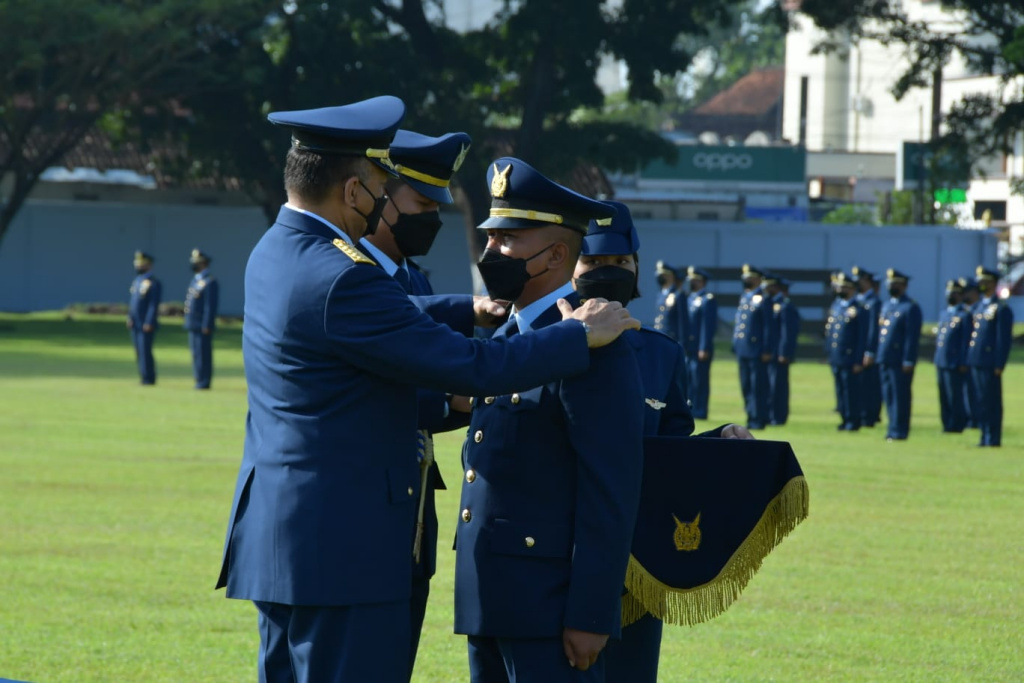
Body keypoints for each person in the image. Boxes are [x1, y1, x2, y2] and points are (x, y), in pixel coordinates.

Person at [214, 97, 640, 683]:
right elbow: (472, 368)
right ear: (354, 190)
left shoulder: (278, 251)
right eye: (380, 185)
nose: (384, 199)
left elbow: (366, 322)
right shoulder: (344, 276)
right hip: (344, 556)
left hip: (288, 546)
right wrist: (575, 337)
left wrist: (466, 309)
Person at [455, 158, 645, 683]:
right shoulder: (506, 339)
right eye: (490, 238)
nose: (490, 251)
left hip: (550, 607)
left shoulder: (596, 345)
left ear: (557, 254)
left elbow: (610, 486)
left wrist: (590, 613)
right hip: (491, 597)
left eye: (507, 240)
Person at [571, 200, 753, 683]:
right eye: (593, 263)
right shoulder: (539, 346)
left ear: (635, 271)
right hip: (554, 556)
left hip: (636, 561)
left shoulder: (660, 355)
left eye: (618, 264)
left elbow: (671, 456)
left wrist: (718, 443)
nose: (606, 273)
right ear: (570, 267)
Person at [358, 127, 474, 680]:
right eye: (420, 203)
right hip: (359, 511)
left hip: (413, 510)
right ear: (381, 194)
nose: (430, 218)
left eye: (436, 206)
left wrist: (460, 404)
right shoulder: (349, 277)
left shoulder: (416, 280)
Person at [967, 266, 1014, 447]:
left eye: (984, 281)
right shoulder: (979, 307)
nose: (980, 285)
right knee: (979, 400)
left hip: (989, 362)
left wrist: (999, 364)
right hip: (976, 360)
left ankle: (993, 437)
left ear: (992, 283)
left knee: (991, 401)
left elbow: (1003, 340)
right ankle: (983, 435)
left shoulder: (1000, 308)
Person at [877, 268, 922, 441]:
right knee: (888, 395)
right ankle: (891, 428)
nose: (892, 286)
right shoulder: (888, 305)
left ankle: (900, 430)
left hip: (900, 360)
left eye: (895, 284)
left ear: (903, 286)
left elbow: (911, 337)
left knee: (900, 396)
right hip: (885, 357)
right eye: (890, 284)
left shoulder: (910, 307)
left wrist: (908, 359)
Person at [732, 264, 772, 429]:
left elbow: (769, 327)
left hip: (757, 350)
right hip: (743, 349)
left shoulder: (764, 298)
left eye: (749, 277)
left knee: (757, 386)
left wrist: (767, 349)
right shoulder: (745, 297)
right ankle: (750, 415)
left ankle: (758, 418)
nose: (746, 280)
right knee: (746, 385)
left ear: (757, 279)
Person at [827, 272, 867, 431]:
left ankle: (853, 420)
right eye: (840, 286)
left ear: (852, 289)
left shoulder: (859, 308)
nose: (840, 289)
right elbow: (831, 332)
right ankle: (844, 417)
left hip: (850, 357)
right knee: (840, 389)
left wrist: (858, 360)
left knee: (851, 391)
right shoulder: (837, 306)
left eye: (844, 287)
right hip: (837, 356)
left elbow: (861, 336)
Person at [933, 278, 970, 433]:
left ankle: (957, 424)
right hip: (941, 360)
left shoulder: (964, 315)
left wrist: (962, 361)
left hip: (954, 361)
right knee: (943, 395)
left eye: (954, 293)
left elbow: (965, 340)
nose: (951, 295)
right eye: (949, 292)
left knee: (954, 395)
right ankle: (946, 423)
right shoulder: (944, 314)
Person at [685, 266, 717, 419]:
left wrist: (704, 346)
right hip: (689, 346)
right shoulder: (689, 298)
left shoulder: (707, 300)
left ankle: (700, 411)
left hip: (700, 347)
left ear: (701, 281)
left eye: (694, 280)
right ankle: (690, 409)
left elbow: (707, 326)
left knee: (700, 380)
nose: (691, 282)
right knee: (688, 379)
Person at [184, 249, 219, 389]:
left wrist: (207, 324)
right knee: (196, 353)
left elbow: (209, 306)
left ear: (204, 263)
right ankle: (198, 378)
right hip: (193, 323)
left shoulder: (210, 282)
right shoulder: (196, 280)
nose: (194, 265)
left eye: (197, 263)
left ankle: (204, 381)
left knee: (204, 354)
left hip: (202, 325)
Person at [852, 266, 882, 427]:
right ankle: (862, 413)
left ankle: (871, 415)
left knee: (870, 385)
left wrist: (870, 351)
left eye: (861, 281)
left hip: (868, 352)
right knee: (861, 385)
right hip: (858, 350)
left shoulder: (874, 302)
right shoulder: (860, 301)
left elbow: (872, 329)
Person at [769, 276, 801, 425]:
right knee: (770, 385)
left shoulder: (785, 306)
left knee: (778, 386)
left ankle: (779, 416)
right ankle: (770, 414)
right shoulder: (770, 303)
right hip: (769, 353)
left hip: (778, 353)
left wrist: (784, 352)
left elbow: (787, 333)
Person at [127, 250, 161, 385]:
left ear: (148, 265)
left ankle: (149, 377)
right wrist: (130, 317)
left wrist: (149, 321)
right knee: (138, 351)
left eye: (142, 264)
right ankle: (142, 375)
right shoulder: (137, 281)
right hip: (135, 322)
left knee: (145, 351)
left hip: (145, 323)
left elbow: (153, 305)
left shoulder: (153, 283)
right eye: (137, 264)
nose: (138, 267)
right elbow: (133, 303)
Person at [960, 278, 982, 428]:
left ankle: (976, 419)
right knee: (966, 390)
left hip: (978, 358)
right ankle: (969, 418)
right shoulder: (963, 311)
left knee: (976, 391)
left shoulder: (979, 311)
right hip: (965, 358)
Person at [652, 261, 688, 347]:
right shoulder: (660, 294)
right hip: (659, 336)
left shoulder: (678, 295)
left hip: (672, 339)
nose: (660, 277)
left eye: (663, 274)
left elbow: (682, 322)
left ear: (671, 276)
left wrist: (682, 343)